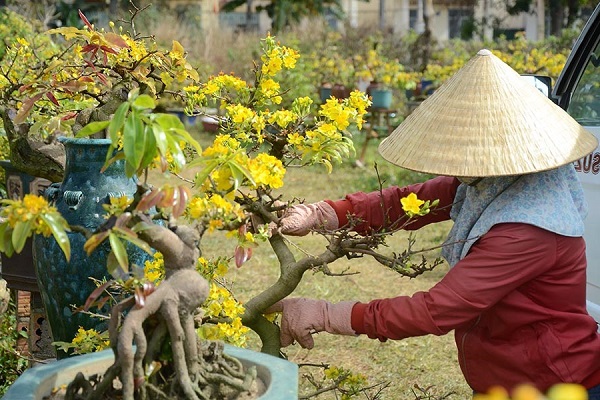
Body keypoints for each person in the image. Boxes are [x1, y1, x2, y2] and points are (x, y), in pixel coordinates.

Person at [268, 49, 600, 398]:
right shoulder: (494, 182)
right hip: (507, 377)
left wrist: (328, 314)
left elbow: (436, 309)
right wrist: (322, 214)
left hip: (555, 384)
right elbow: (407, 203)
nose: (456, 166)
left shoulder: (527, 230)